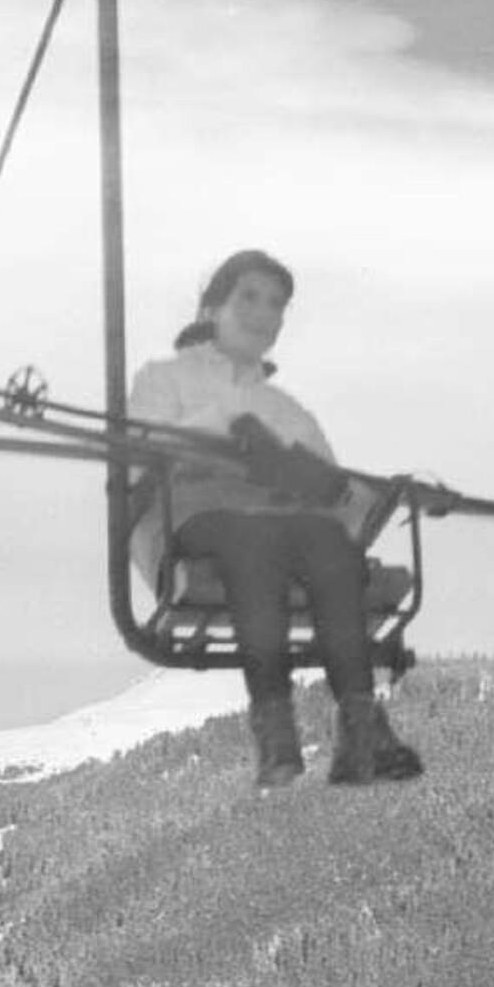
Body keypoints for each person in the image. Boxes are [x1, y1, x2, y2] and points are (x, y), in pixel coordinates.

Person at [127, 250, 424, 791]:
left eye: (276, 304)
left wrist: (377, 493)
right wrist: (230, 431)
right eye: (249, 297)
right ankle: (274, 722)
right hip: (189, 520)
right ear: (213, 307)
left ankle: (362, 727)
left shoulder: (285, 408)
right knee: (256, 536)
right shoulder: (164, 379)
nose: (263, 313)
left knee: (326, 539)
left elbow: (334, 490)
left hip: (280, 533)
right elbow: (145, 449)